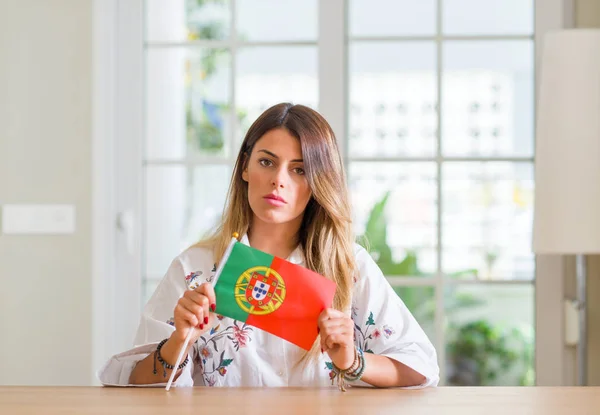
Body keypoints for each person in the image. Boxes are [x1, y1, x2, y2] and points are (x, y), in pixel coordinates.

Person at [98, 103, 439, 389]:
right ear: (245, 166)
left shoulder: (350, 267)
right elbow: (129, 383)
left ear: (318, 183)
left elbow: (420, 368)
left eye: (300, 170)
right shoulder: (194, 269)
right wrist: (179, 342)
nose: (279, 179)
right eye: (266, 162)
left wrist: (353, 361)